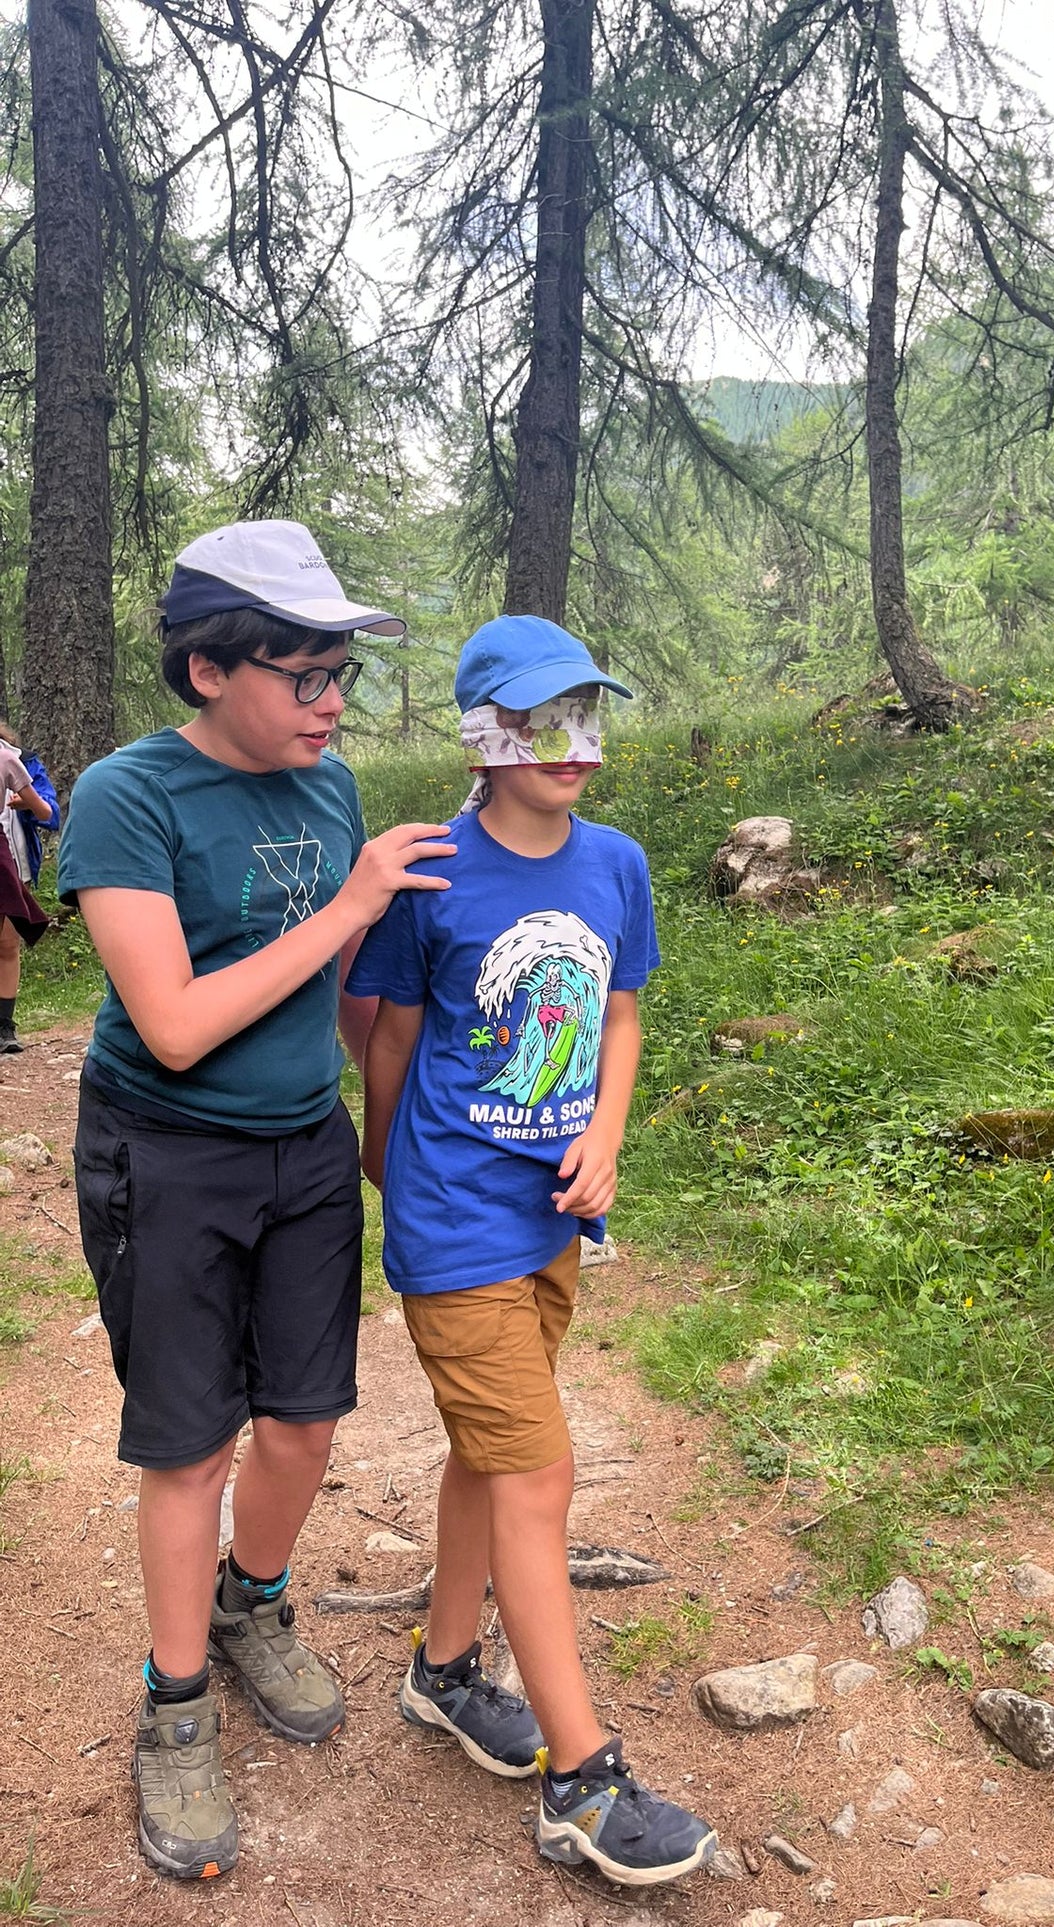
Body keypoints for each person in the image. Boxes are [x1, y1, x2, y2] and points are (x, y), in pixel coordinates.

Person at [58, 519, 457, 1881]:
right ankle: (174, 1709)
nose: (330, 700)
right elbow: (170, 1021)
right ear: (206, 669)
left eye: (337, 670)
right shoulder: (128, 794)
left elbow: (348, 996)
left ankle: (253, 1604)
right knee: (191, 1443)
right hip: (164, 1147)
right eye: (301, 672)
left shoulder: (327, 784)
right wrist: (348, 903)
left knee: (304, 1418)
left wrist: (390, 1131)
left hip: (302, 1147)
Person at [350, 614, 716, 1888]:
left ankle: (443, 1671)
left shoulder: (614, 863)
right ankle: (580, 1777)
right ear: (484, 732)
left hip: (553, 1220)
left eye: (586, 715)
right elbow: (384, 1038)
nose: (572, 742)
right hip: (453, 1223)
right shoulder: (436, 868)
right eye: (541, 718)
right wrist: (393, 1170)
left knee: (488, 1454)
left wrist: (608, 1133)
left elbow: (617, 1011)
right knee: (537, 1475)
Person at [0, 718, 58, 1053]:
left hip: (11, 867)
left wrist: (28, 805)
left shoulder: (19, 760)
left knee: (7, 944)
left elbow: (50, 813)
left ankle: (4, 1026)